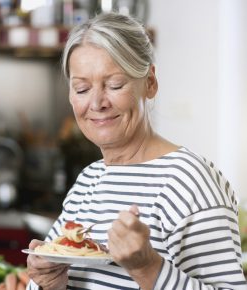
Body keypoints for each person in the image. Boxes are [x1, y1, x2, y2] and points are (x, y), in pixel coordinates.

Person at [26, 12, 247, 289]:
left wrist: (148, 268)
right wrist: (47, 283)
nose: (96, 103)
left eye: (115, 85)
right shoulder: (88, 182)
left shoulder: (189, 181)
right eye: (81, 89)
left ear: (150, 83)